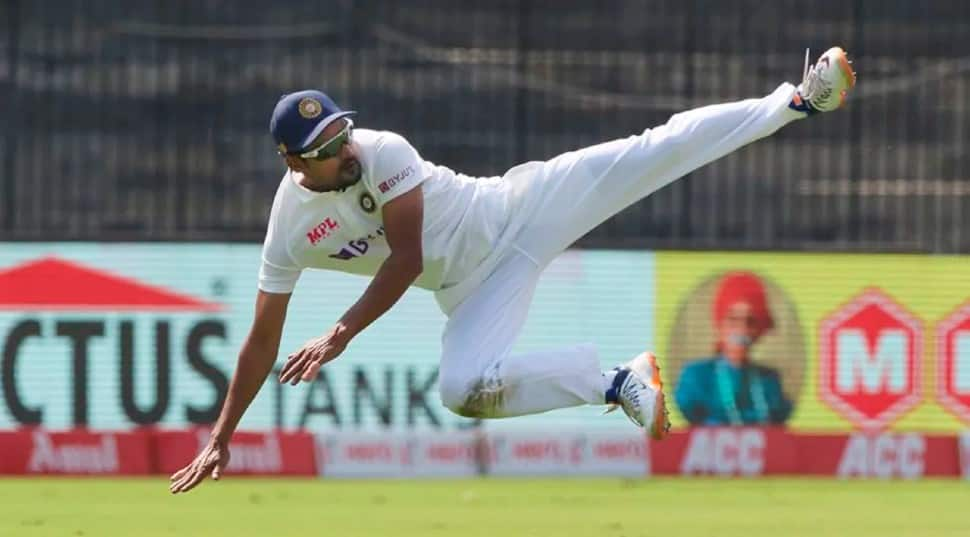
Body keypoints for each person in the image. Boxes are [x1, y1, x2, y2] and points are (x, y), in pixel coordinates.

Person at [169, 46, 855, 493]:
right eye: (324, 148)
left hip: (516, 212)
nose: (342, 148)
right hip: (472, 290)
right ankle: (618, 380)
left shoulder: (381, 150)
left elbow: (405, 259)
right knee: (462, 389)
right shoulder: (289, 224)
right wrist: (222, 436)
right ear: (294, 164)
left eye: (341, 132)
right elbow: (263, 337)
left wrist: (339, 334)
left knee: (651, 150)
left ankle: (798, 99)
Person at [675, 272, 793, 426]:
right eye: (733, 320)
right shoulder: (696, 376)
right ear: (720, 325)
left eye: (750, 322)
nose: (741, 329)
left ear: (758, 330)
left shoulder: (769, 380)